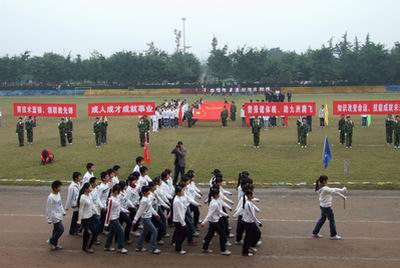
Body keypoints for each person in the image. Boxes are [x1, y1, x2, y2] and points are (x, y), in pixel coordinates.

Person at [312, 175, 347, 240]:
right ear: (324, 181)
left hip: (322, 206)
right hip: (327, 207)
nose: (327, 181)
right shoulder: (325, 188)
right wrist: (342, 191)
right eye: (326, 180)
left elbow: (333, 190)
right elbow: (334, 190)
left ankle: (315, 232)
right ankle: (333, 235)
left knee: (322, 219)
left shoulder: (320, 187)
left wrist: (342, 193)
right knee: (331, 220)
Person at [201, 187, 231, 256]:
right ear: (215, 195)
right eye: (218, 193)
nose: (219, 194)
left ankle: (205, 247)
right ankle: (223, 250)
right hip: (215, 222)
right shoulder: (214, 203)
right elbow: (209, 214)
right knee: (222, 234)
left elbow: (219, 210)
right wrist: (204, 222)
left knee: (210, 234)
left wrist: (225, 215)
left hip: (216, 220)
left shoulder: (217, 200)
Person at [133, 186, 161, 254]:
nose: (149, 192)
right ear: (145, 192)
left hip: (149, 217)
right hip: (146, 218)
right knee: (154, 232)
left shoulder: (147, 198)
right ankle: (152, 248)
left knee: (144, 232)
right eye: (148, 191)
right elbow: (140, 210)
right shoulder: (143, 201)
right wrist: (135, 219)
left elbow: (150, 207)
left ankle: (139, 246)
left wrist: (156, 214)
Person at [104, 184, 128, 254]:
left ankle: (107, 246)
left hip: (116, 217)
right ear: (115, 191)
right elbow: (108, 212)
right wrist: (106, 223)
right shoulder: (111, 200)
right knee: (121, 231)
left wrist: (126, 211)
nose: (120, 192)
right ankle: (120, 247)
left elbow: (119, 207)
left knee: (111, 232)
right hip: (113, 219)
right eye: (118, 191)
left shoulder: (117, 198)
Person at [77, 182, 100, 254]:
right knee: (88, 233)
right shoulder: (82, 198)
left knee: (93, 232)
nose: (91, 188)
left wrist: (97, 212)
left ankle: (86, 246)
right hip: (85, 218)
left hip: (90, 217)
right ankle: (87, 247)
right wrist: (79, 220)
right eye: (90, 187)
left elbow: (92, 205)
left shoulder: (89, 195)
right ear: (86, 189)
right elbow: (80, 209)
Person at [241, 190, 262, 256]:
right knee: (248, 237)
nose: (254, 195)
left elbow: (253, 205)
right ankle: (245, 252)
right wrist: (258, 222)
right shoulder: (248, 204)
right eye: (253, 194)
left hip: (250, 222)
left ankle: (250, 246)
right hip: (248, 223)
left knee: (257, 233)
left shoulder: (249, 202)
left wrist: (257, 209)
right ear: (249, 196)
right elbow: (252, 215)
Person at [46, 180, 65, 251]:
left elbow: (60, 204)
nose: (60, 188)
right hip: (54, 216)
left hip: (59, 214)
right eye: (59, 187)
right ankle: (51, 240)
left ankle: (54, 244)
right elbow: (48, 208)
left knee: (56, 230)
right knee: (61, 229)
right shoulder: (50, 197)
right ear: (54, 188)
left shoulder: (58, 194)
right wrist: (49, 219)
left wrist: (63, 211)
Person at [172, 185, 187, 255]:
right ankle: (179, 248)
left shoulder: (179, 198)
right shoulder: (177, 201)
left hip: (180, 220)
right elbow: (178, 213)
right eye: (181, 191)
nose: (183, 192)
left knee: (180, 234)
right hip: (179, 221)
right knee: (181, 235)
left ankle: (178, 246)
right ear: (178, 192)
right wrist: (183, 223)